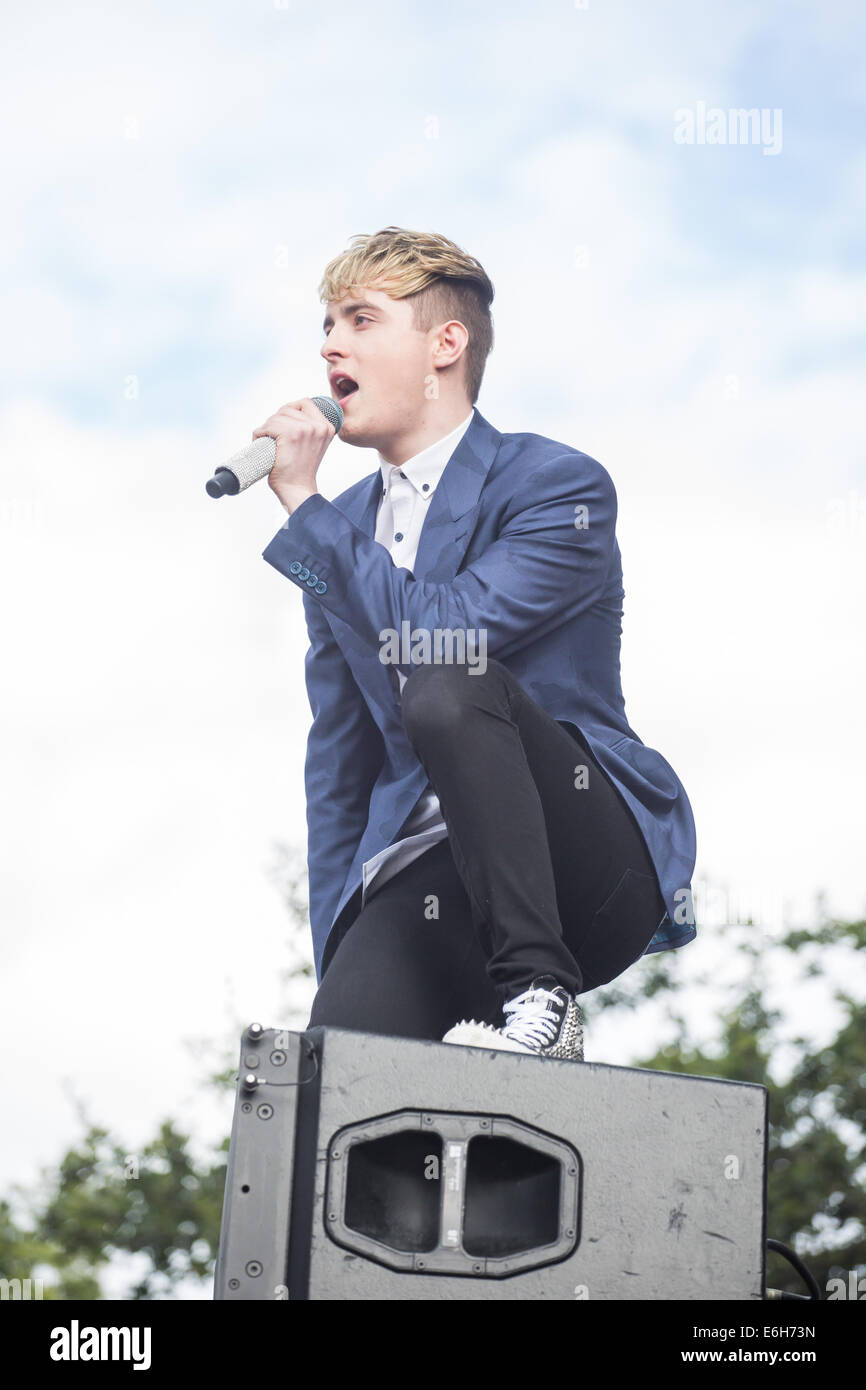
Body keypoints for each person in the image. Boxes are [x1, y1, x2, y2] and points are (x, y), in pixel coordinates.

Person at [256, 226, 697, 1062]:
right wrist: (341, 962)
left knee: (447, 676)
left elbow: (443, 638)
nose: (329, 346)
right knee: (331, 1079)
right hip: (430, 871)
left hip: (580, 852)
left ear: (444, 345)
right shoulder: (341, 530)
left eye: (359, 319)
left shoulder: (557, 484)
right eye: (325, 326)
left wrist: (304, 508)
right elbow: (341, 767)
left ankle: (540, 991)